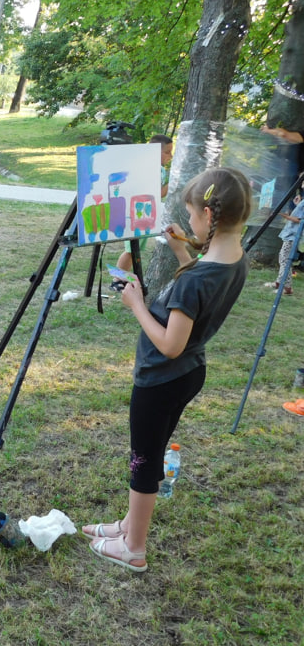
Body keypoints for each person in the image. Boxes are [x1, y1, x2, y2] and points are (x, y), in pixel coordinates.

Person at [83, 167, 251, 572]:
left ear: (209, 216)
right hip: (187, 374)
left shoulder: (198, 279)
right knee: (152, 451)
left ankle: (134, 548)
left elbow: (171, 344)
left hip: (162, 376)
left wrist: (137, 305)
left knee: (143, 459)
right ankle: (128, 524)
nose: (189, 220)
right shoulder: (232, 259)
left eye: (192, 213)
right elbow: (200, 281)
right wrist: (181, 251)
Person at [111, 135, 175, 291]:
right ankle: (117, 279)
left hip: (142, 214)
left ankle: (121, 278)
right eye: (167, 152)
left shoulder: (146, 166)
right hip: (139, 215)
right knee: (131, 250)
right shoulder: (156, 169)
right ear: (154, 152)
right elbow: (157, 193)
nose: (170, 156)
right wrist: (173, 182)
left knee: (133, 250)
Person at [272, 183, 304, 295]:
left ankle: (287, 287)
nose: (302, 183)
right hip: (290, 233)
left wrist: (284, 216)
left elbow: (301, 220)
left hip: (294, 235)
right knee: (282, 258)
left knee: (285, 260)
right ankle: (279, 282)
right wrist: (297, 204)